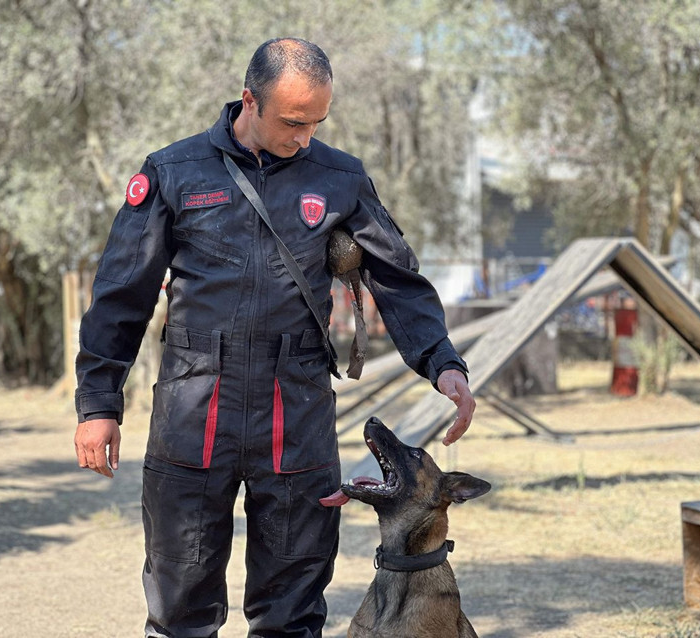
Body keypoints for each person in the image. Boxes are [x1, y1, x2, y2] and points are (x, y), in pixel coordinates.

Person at [73, 37, 476, 638]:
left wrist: (442, 361)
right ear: (248, 101)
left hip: (296, 408)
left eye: (317, 121)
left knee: (291, 609)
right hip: (195, 404)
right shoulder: (173, 172)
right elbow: (121, 294)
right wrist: (98, 403)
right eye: (292, 121)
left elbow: (398, 281)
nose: (305, 137)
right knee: (180, 603)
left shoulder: (341, 178)